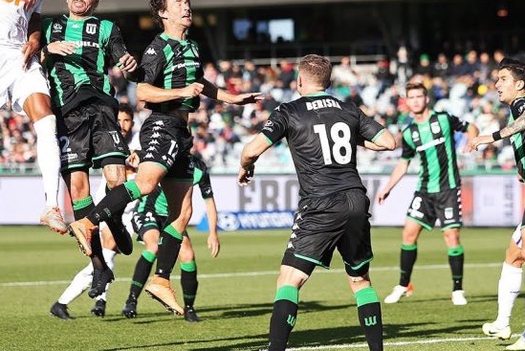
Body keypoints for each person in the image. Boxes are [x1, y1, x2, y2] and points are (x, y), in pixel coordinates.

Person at [68, 0, 260, 316]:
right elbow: (143, 94)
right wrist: (180, 94)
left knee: (182, 214)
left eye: (187, 2)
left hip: (182, 134)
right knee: (145, 183)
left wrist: (232, 98)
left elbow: (202, 85)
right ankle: (89, 222)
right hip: (162, 125)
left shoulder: (193, 47)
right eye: (178, 3)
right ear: (163, 13)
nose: (186, 8)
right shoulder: (160, 47)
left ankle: (160, 280)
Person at [238, 54, 396, 351]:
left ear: (299, 81)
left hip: (321, 202)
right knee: (360, 279)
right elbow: (389, 142)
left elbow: (250, 150)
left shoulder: (290, 110)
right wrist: (354, 137)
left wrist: (245, 167)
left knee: (289, 280)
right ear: (328, 80)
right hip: (355, 200)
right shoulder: (348, 108)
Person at [42, 0, 138, 300]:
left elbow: (124, 59)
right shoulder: (48, 28)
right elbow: (26, 58)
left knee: (117, 179)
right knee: (79, 191)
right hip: (67, 114)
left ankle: (117, 220)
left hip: (101, 106)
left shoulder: (106, 28)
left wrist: (129, 63)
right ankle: (99, 266)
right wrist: (46, 49)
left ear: (94, 3)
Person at [378, 82, 479, 306]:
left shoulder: (443, 119)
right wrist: (387, 188)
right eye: (410, 97)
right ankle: (403, 284)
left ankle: (457, 289)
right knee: (408, 235)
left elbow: (471, 126)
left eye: (418, 96)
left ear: (426, 99)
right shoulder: (409, 133)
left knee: (451, 237)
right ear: (407, 102)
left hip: (448, 189)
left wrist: (473, 140)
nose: (415, 100)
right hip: (424, 191)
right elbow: (403, 164)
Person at [0, 0, 74, 234]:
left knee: (47, 122)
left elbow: (34, 15)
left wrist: (34, 38)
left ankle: (50, 205)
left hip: (20, 58)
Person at [49, 103, 140, 320]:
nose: (123, 125)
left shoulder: (138, 142)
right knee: (107, 255)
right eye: (119, 121)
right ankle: (64, 302)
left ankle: (100, 299)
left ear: (133, 123)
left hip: (130, 212)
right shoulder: (106, 137)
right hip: (107, 207)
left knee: (113, 256)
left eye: (127, 120)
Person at [466, 58, 525, 350]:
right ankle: (503, 322)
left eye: (503, 78)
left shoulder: (521, 104)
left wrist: (490, 137)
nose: (497, 84)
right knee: (514, 254)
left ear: (520, 84)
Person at [122, 154, 220, 322]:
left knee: (188, 256)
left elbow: (209, 201)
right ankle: (131, 300)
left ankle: (189, 308)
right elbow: (137, 157)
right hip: (148, 212)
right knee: (153, 247)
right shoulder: (164, 156)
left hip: (174, 219)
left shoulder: (199, 168)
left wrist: (213, 233)